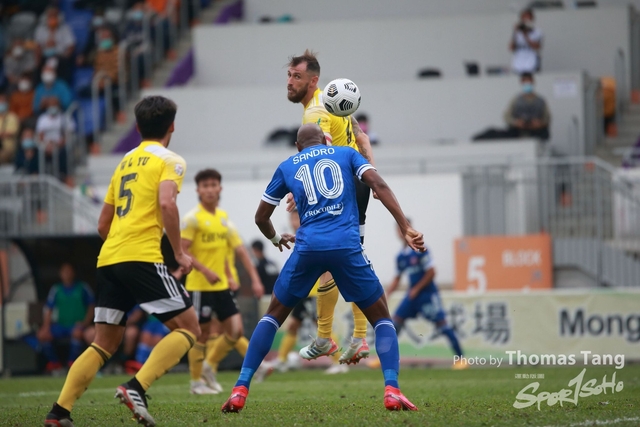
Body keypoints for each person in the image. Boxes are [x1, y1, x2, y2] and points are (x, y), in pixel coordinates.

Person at [221, 123, 423, 413]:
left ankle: (240, 388)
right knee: (382, 318)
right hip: (346, 247)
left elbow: (260, 217)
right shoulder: (345, 154)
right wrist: (405, 226)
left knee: (273, 316)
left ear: (297, 147)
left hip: (308, 249)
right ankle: (392, 389)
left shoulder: (287, 166)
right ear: (327, 142)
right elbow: (378, 185)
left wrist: (276, 239)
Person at [44, 96, 198, 427]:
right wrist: (179, 252)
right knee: (189, 328)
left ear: (138, 127)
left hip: (109, 259)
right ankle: (136, 387)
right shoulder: (171, 160)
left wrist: (119, 248)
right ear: (171, 126)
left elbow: (103, 224)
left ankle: (59, 412)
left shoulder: (125, 162)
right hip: (141, 257)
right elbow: (167, 204)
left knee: (103, 343)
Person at [286, 49, 375, 365]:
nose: (290, 82)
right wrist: (371, 175)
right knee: (348, 258)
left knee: (332, 259)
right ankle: (355, 337)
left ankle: (329, 337)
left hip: (338, 188)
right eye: (289, 75)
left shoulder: (315, 112)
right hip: (355, 183)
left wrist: (302, 189)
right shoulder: (334, 100)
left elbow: (320, 152)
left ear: (313, 80)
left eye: (297, 76)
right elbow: (362, 139)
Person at [181, 168, 264, 395]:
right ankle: (196, 382)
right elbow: (182, 249)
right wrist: (205, 271)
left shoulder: (223, 218)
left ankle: (208, 366)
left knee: (235, 330)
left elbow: (231, 252)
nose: (209, 189)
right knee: (202, 334)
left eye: (213, 185)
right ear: (198, 190)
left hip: (222, 286)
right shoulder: (192, 219)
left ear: (220, 188)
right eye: (205, 186)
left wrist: (234, 276)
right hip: (200, 286)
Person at [370, 222, 466, 370]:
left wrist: (417, 288)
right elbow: (397, 278)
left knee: (442, 325)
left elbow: (431, 272)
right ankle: (382, 358)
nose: (400, 233)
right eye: (398, 230)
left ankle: (461, 359)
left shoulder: (420, 249)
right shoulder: (401, 256)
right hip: (412, 296)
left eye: (402, 229)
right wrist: (386, 295)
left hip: (427, 295)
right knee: (394, 324)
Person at [37, 263, 95, 373]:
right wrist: (46, 327)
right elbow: (49, 309)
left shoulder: (83, 287)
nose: (66, 274)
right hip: (61, 325)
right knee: (42, 335)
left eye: (69, 271)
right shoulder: (56, 289)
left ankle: (72, 363)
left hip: (76, 325)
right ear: (60, 274)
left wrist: (85, 323)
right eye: (64, 272)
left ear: (73, 273)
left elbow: (91, 306)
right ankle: (55, 364)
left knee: (77, 334)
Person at [35, 96, 75, 182]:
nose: (52, 107)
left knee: (63, 152)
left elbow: (68, 135)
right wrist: (47, 145)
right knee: (37, 152)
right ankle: (39, 176)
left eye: (54, 105)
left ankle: (64, 175)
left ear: (58, 106)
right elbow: (40, 135)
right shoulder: (42, 119)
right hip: (46, 145)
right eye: (51, 105)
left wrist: (59, 144)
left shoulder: (65, 118)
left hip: (60, 145)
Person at [34, 6, 76, 83]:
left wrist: (65, 56)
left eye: (54, 16)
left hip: (60, 57)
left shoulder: (65, 29)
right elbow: (38, 46)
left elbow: (71, 45)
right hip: (45, 57)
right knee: (37, 68)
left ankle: (63, 86)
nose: (52, 18)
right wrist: (38, 60)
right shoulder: (40, 29)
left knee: (64, 65)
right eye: (50, 16)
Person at [504, 73, 551, 140]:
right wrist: (516, 122)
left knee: (544, 133)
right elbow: (507, 116)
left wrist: (540, 123)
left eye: (529, 81)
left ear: (533, 82)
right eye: (525, 82)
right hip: (519, 131)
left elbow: (547, 118)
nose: (527, 84)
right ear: (521, 83)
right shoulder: (516, 100)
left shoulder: (540, 101)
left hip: (536, 131)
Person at [509, 8, 542, 75]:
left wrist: (525, 34)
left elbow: (537, 47)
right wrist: (515, 32)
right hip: (518, 62)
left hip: (531, 62)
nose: (526, 20)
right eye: (524, 17)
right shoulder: (517, 32)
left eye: (528, 17)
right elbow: (511, 48)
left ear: (532, 19)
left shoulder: (537, 32)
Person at [0, 92, 21, 165]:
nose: (1, 103)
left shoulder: (13, 117)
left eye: (3, 101)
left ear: (7, 103)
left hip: (8, 149)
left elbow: (11, 133)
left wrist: (3, 134)